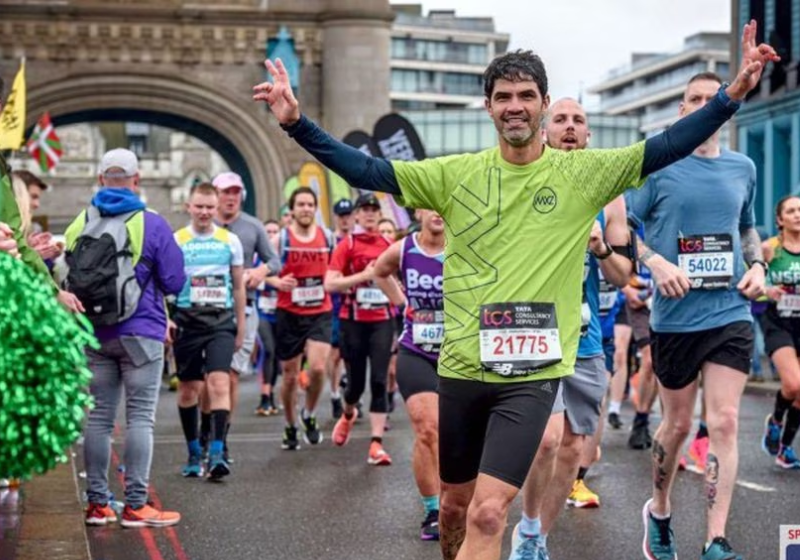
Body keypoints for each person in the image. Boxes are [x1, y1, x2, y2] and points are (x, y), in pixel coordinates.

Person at [253, 24, 777, 559]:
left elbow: (668, 145)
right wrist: (295, 124)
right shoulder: (455, 175)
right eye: (503, 97)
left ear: (544, 104)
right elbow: (367, 169)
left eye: (527, 95)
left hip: (532, 374)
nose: (515, 106)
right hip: (462, 367)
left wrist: (732, 95)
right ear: (488, 107)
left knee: (487, 512)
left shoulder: (584, 174)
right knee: (454, 508)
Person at [626, 69, 768, 560]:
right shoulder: (658, 167)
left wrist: (757, 265)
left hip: (730, 310)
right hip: (675, 318)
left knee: (724, 421)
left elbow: (747, 227)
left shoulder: (743, 167)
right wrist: (655, 262)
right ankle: (660, 510)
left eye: (715, 98)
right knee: (678, 425)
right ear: (682, 109)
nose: (707, 105)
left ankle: (715, 539)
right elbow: (625, 232)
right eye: (696, 98)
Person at [507, 98, 634, 559]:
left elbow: (623, 276)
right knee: (545, 440)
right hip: (532, 328)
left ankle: (536, 540)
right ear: (544, 131)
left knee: (574, 445)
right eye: (559, 119)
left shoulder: (609, 195)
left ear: (588, 135)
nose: (569, 127)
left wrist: (600, 249)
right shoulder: (523, 181)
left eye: (578, 120)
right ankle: (527, 523)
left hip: (584, 335)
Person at [66, 148, 186, 527]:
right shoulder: (152, 223)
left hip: (93, 334)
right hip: (141, 332)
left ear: (100, 179)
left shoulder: (80, 222)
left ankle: (97, 504)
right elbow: (174, 281)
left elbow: (65, 276)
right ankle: (135, 504)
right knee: (139, 418)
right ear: (137, 180)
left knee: (99, 418)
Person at [374, 207, 445, 540]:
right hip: (416, 350)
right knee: (427, 429)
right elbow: (379, 272)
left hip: (459, 356)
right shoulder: (404, 249)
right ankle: (433, 509)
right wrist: (402, 303)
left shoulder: (465, 246)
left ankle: (458, 502)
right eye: (431, 204)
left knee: (459, 434)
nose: (438, 212)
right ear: (418, 209)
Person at [201, 171, 280, 461]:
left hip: (243, 308)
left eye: (235, 192)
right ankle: (204, 431)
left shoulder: (252, 226)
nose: (231, 197)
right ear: (215, 195)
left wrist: (260, 271)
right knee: (208, 379)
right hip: (206, 310)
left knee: (231, 376)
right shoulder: (203, 225)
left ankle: (221, 440)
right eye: (225, 192)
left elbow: (274, 260)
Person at [172, 182, 246, 480]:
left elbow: (238, 287)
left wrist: (240, 326)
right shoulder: (177, 240)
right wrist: (166, 319)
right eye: (199, 206)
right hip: (187, 320)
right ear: (188, 207)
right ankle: (193, 452)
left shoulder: (230, 241)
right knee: (189, 389)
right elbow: (164, 283)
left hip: (220, 321)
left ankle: (216, 452)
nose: (204, 212)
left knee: (219, 382)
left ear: (217, 209)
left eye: (209, 207)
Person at [325, 193, 394, 465]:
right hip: (352, 322)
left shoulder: (389, 246)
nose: (369, 213)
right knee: (355, 385)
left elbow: (401, 280)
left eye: (374, 209)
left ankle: (376, 444)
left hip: (382, 321)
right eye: (364, 209)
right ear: (356, 215)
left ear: (380, 215)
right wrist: (364, 276)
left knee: (379, 381)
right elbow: (330, 284)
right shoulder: (347, 245)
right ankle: (348, 413)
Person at [272, 187, 334, 450]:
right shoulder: (281, 239)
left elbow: (337, 268)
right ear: (292, 209)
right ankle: (290, 424)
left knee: (318, 368)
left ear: (315, 208)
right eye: (301, 204)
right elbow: (263, 270)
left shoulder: (327, 237)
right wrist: (276, 281)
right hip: (289, 313)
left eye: (310, 204)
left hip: (320, 311)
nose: (306, 209)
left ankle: (308, 413)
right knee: (290, 376)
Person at [759, 195, 800, 469]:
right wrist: (767, 289)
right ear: (779, 219)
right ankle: (775, 420)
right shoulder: (769, 249)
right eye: (791, 211)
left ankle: (785, 449)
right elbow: (750, 281)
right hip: (778, 321)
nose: (797, 215)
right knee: (794, 384)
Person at [328, 198, 355, 418]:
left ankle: (353, 393)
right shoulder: (331, 242)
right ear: (336, 217)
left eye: (348, 215)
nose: (345, 220)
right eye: (341, 216)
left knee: (354, 352)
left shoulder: (358, 241)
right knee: (335, 353)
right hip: (335, 304)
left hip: (357, 303)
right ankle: (335, 394)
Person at [255, 219, 282, 416]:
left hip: (281, 312)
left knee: (278, 355)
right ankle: (264, 396)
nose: (272, 235)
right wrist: (276, 282)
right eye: (268, 232)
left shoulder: (284, 255)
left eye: (275, 232)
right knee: (269, 350)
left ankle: (271, 393)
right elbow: (255, 276)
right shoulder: (259, 258)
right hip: (262, 311)